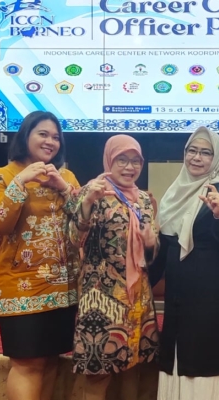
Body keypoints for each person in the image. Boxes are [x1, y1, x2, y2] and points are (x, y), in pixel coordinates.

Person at [0, 111, 80, 400]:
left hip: (63, 289)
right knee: (28, 364)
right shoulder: (2, 176)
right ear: (26, 135)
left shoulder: (66, 176)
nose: (51, 142)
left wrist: (64, 188)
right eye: (43, 134)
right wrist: (20, 182)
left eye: (56, 137)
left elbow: (86, 219)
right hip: (20, 289)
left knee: (50, 361)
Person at [153, 126, 219, 400]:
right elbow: (166, 246)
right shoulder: (174, 192)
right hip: (178, 295)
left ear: (216, 158)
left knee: (208, 360)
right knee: (178, 355)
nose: (196, 157)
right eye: (192, 150)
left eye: (206, 153)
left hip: (212, 295)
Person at [69, 134, 159, 400]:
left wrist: (151, 243)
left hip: (138, 298)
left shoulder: (144, 200)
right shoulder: (93, 192)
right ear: (109, 160)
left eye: (135, 161)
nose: (130, 167)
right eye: (122, 160)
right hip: (102, 298)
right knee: (98, 372)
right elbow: (74, 239)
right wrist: (87, 202)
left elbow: (151, 254)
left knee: (133, 367)